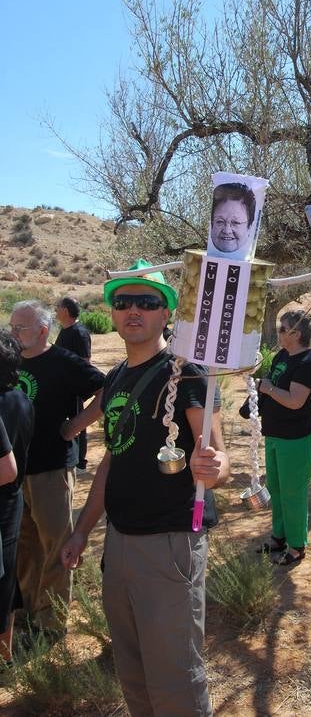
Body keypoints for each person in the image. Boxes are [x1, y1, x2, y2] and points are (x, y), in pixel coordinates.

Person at [61, 259, 229, 717]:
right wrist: (81, 531)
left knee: (174, 676)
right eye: (123, 301)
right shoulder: (116, 378)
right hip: (119, 544)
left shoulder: (187, 372)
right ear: (112, 313)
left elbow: (218, 453)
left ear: (166, 313)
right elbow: (112, 461)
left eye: (147, 302)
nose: (133, 310)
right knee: (131, 670)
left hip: (170, 543)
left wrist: (214, 466)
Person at [10, 300, 105, 633]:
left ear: (42, 330)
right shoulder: (11, 362)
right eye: (11, 326)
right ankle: (25, 612)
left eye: (19, 327)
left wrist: (76, 426)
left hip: (50, 468)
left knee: (55, 546)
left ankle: (51, 623)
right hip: (15, 470)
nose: (13, 333)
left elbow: (107, 390)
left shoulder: (63, 362)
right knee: (24, 544)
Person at [256, 310, 311, 566]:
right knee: (276, 488)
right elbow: (272, 381)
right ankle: (278, 537)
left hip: (295, 438)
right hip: (274, 433)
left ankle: (296, 546)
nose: (279, 332)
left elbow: (295, 401)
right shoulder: (283, 355)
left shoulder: (308, 363)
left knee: (293, 492)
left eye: (283, 329)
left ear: (296, 334)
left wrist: (270, 389)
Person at [0, 330, 34, 663]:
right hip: (13, 500)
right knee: (7, 582)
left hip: (3, 500)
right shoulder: (22, 400)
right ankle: (6, 656)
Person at [55, 296, 92, 470]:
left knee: (79, 421)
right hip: (62, 387)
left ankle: (80, 462)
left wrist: (79, 386)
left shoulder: (79, 332)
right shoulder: (65, 330)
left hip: (74, 387)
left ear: (66, 310)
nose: (55, 309)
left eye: (58, 306)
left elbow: (85, 362)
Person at [209, 182, 255, 254]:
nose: (227, 231)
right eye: (220, 222)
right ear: (212, 224)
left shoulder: (255, 265)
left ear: (249, 227)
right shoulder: (197, 261)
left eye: (236, 223)